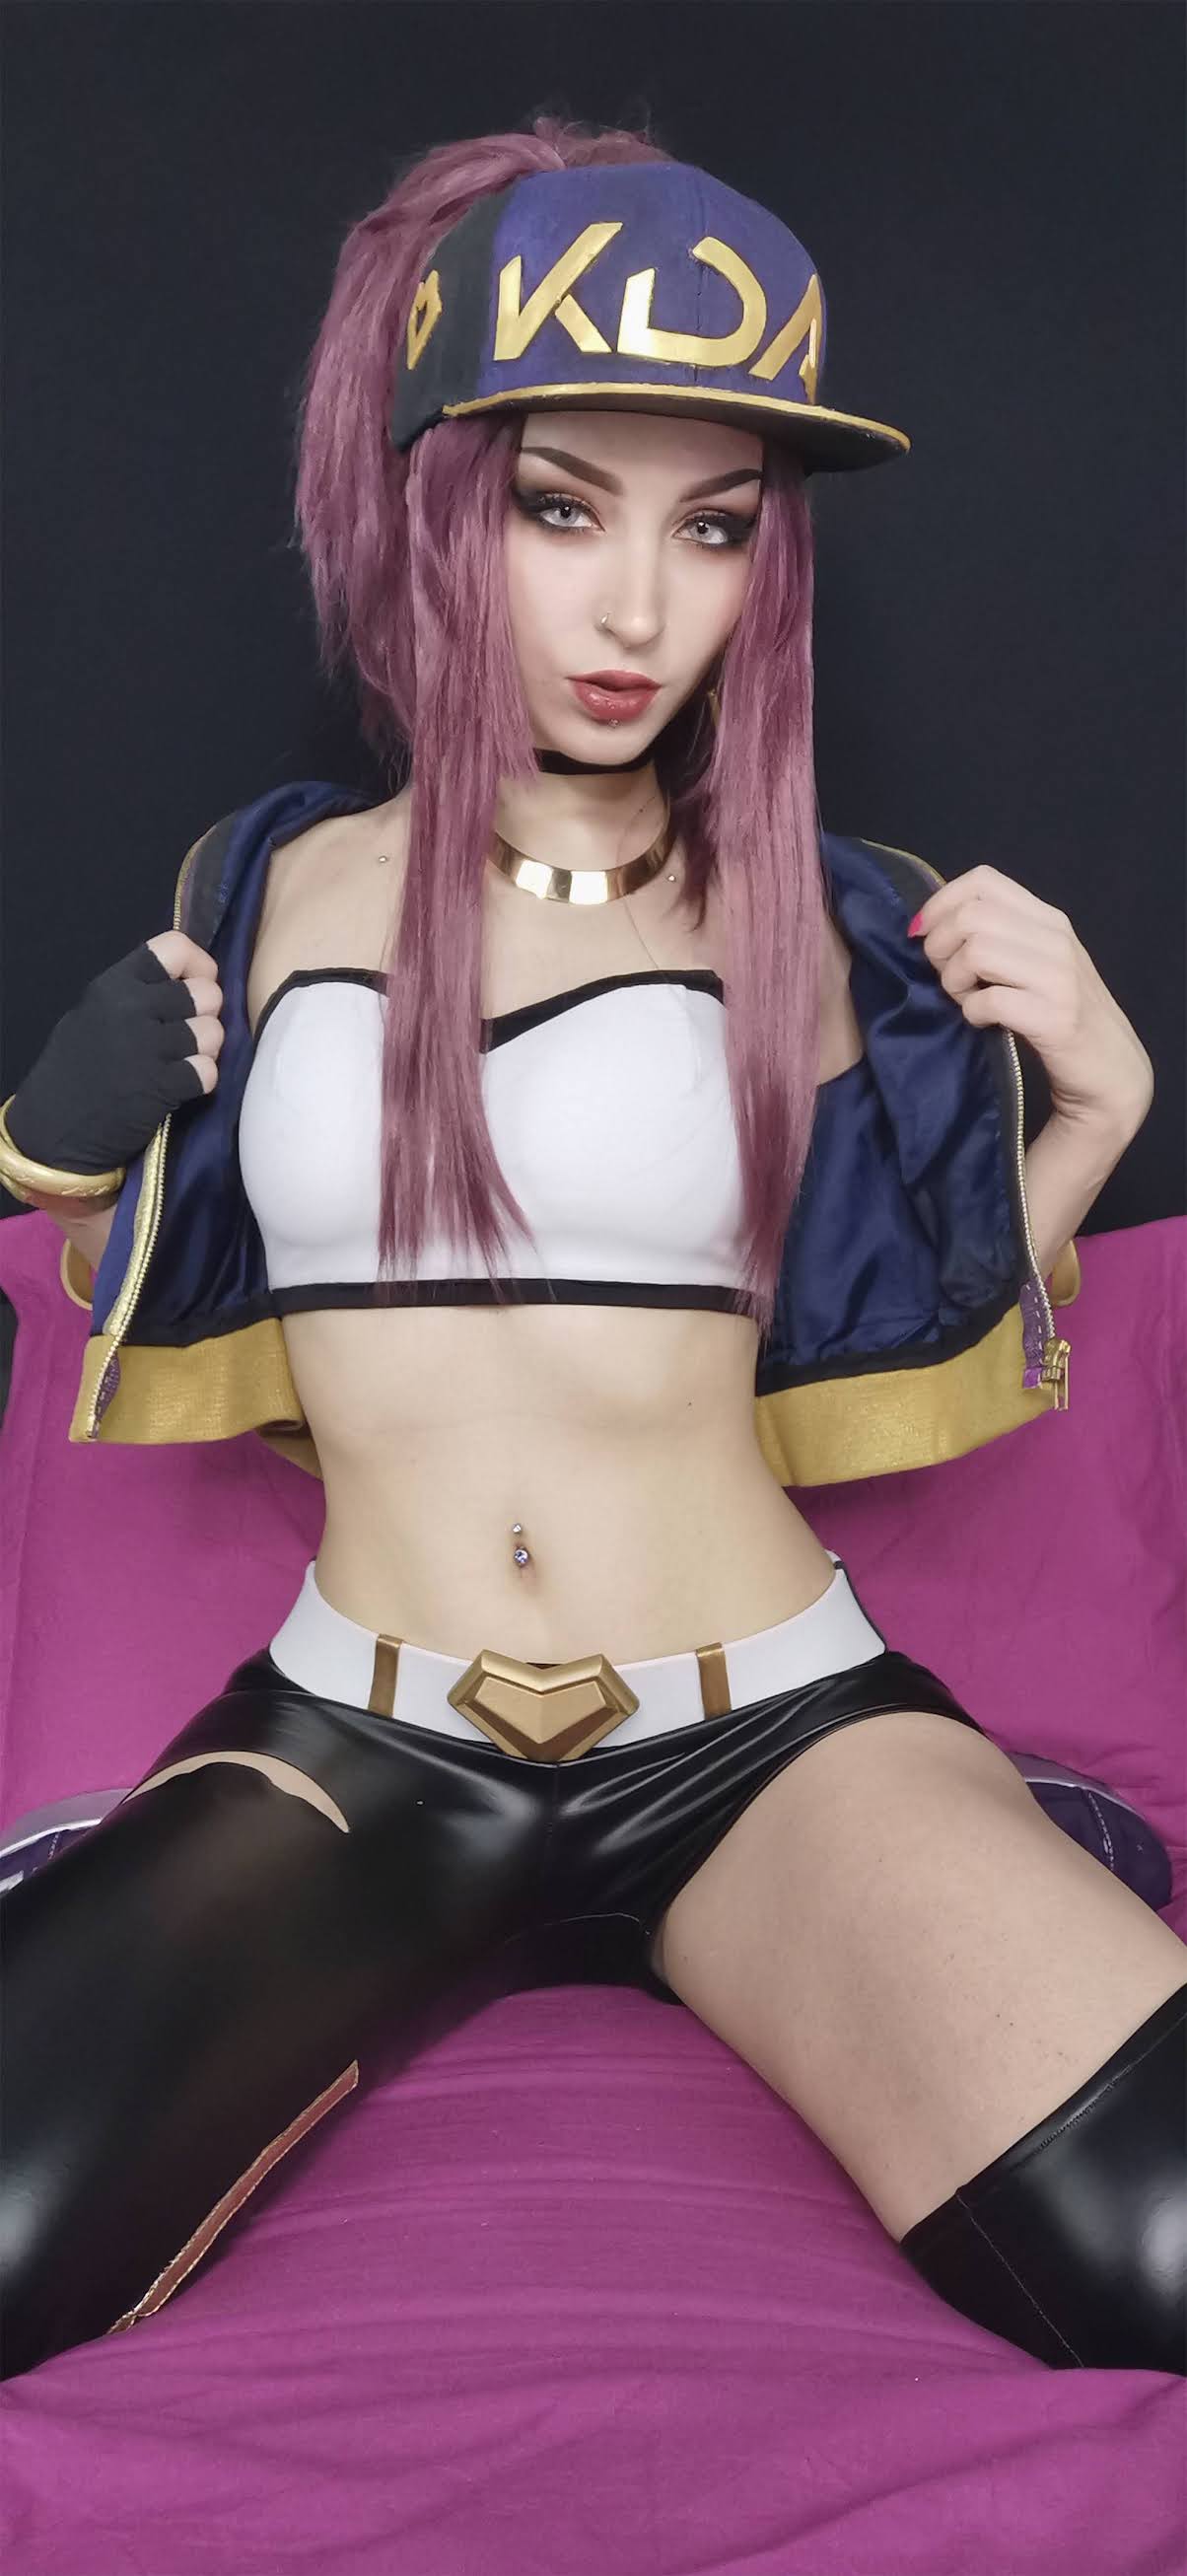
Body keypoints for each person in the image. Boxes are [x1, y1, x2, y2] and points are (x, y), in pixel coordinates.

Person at [0, 113, 1183, 2386]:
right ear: (432, 501)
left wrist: (1096, 1115)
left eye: (711, 525)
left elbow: (896, 1335)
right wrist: (47, 1142)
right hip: (364, 1739)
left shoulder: (830, 925)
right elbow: (138, 1273)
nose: (639, 609)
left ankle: (962, 1840)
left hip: (764, 1730)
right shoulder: (265, 885)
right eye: (563, 509)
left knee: (1161, 2240)